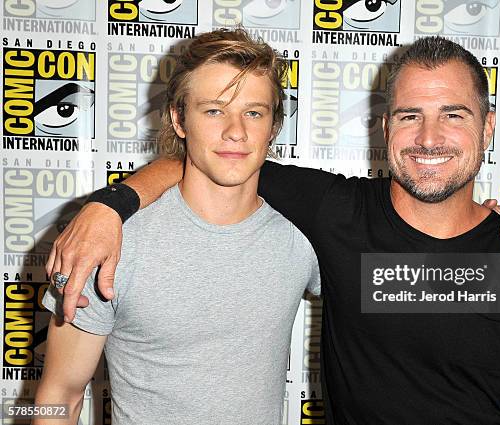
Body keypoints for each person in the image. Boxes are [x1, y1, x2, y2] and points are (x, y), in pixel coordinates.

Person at [44, 37, 500, 424]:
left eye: (453, 115)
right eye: (410, 115)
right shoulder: (332, 220)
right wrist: (109, 207)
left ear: (488, 125)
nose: (429, 137)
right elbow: (51, 399)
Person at [34, 29, 320, 425]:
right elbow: (57, 396)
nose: (236, 131)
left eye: (253, 112)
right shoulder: (109, 244)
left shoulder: (303, 236)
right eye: (214, 110)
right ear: (179, 119)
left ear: (274, 126)